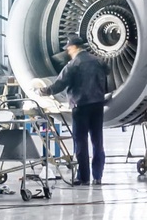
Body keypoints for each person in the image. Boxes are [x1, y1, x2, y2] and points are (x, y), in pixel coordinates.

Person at [37, 34, 109, 186]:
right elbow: (108, 71)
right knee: (98, 142)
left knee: (81, 142)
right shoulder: (97, 61)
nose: (67, 51)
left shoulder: (73, 64)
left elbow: (59, 85)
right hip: (97, 105)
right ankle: (98, 176)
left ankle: (83, 177)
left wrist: (42, 91)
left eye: (68, 48)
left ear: (74, 47)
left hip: (80, 106)